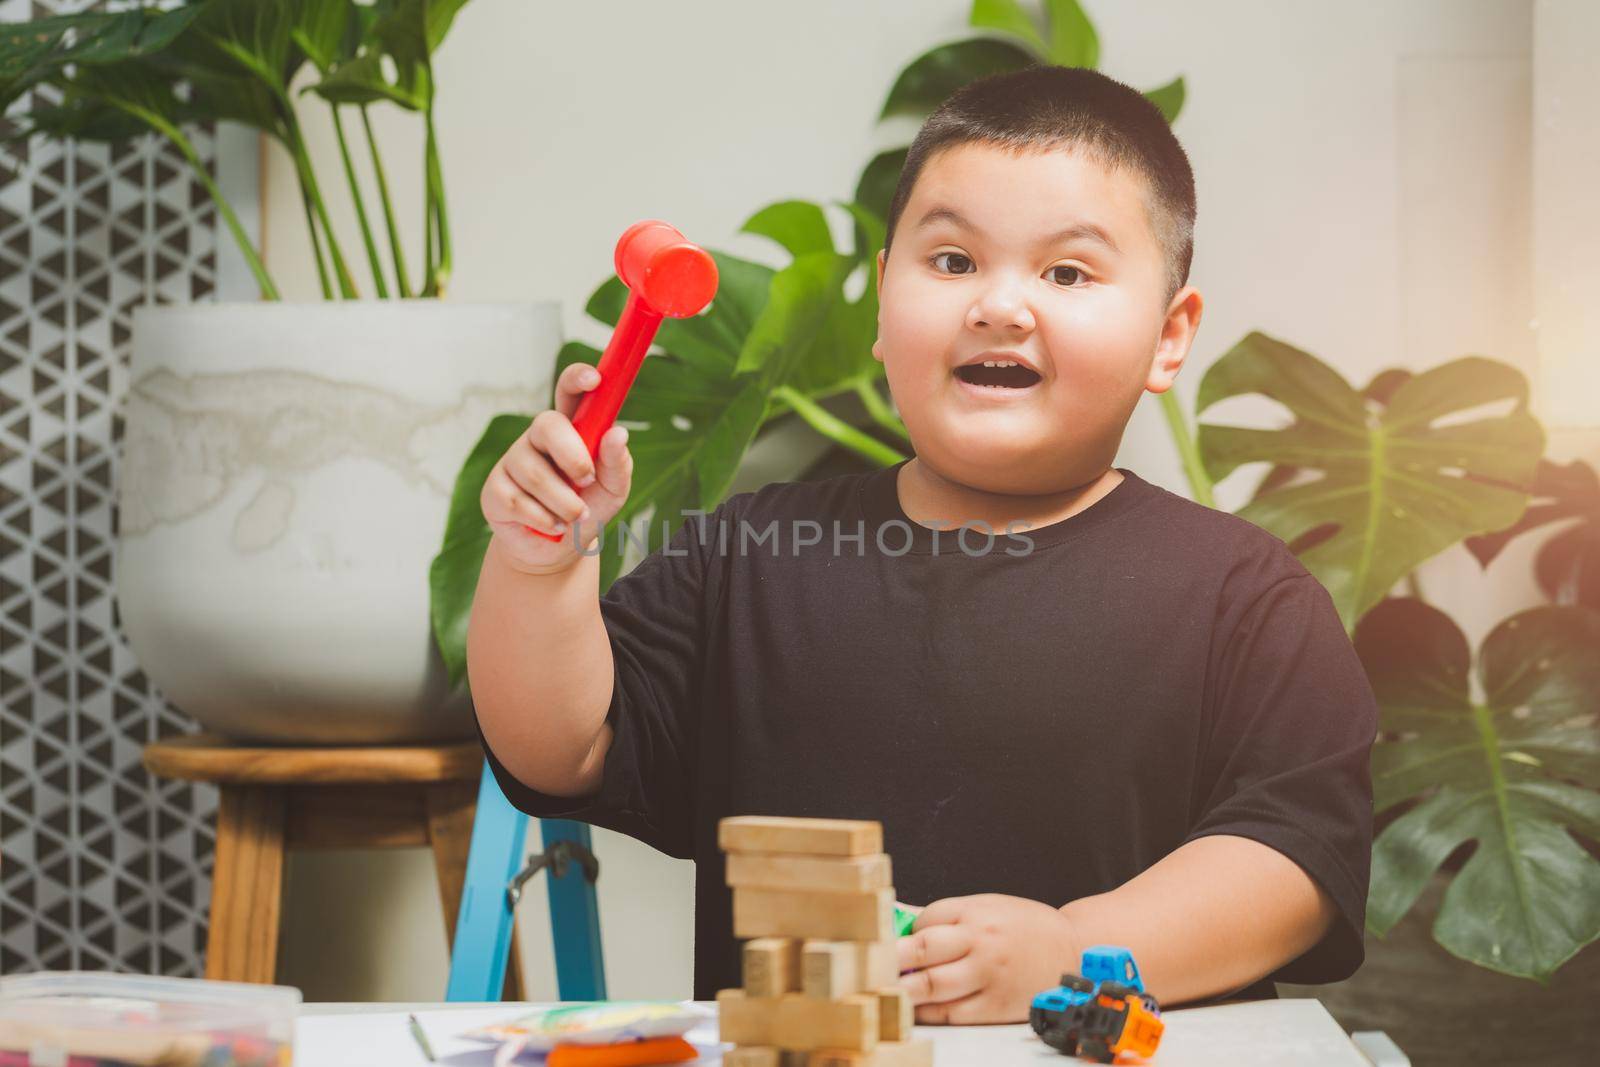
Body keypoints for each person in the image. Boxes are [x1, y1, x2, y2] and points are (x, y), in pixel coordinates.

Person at [467, 65, 1378, 1023]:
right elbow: (560, 751)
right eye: (952, 262)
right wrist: (538, 566)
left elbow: (1294, 857)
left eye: (1067, 272)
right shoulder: (750, 556)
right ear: (878, 307)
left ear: (1169, 334)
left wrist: (1077, 949)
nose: (999, 306)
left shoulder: (1247, 595)